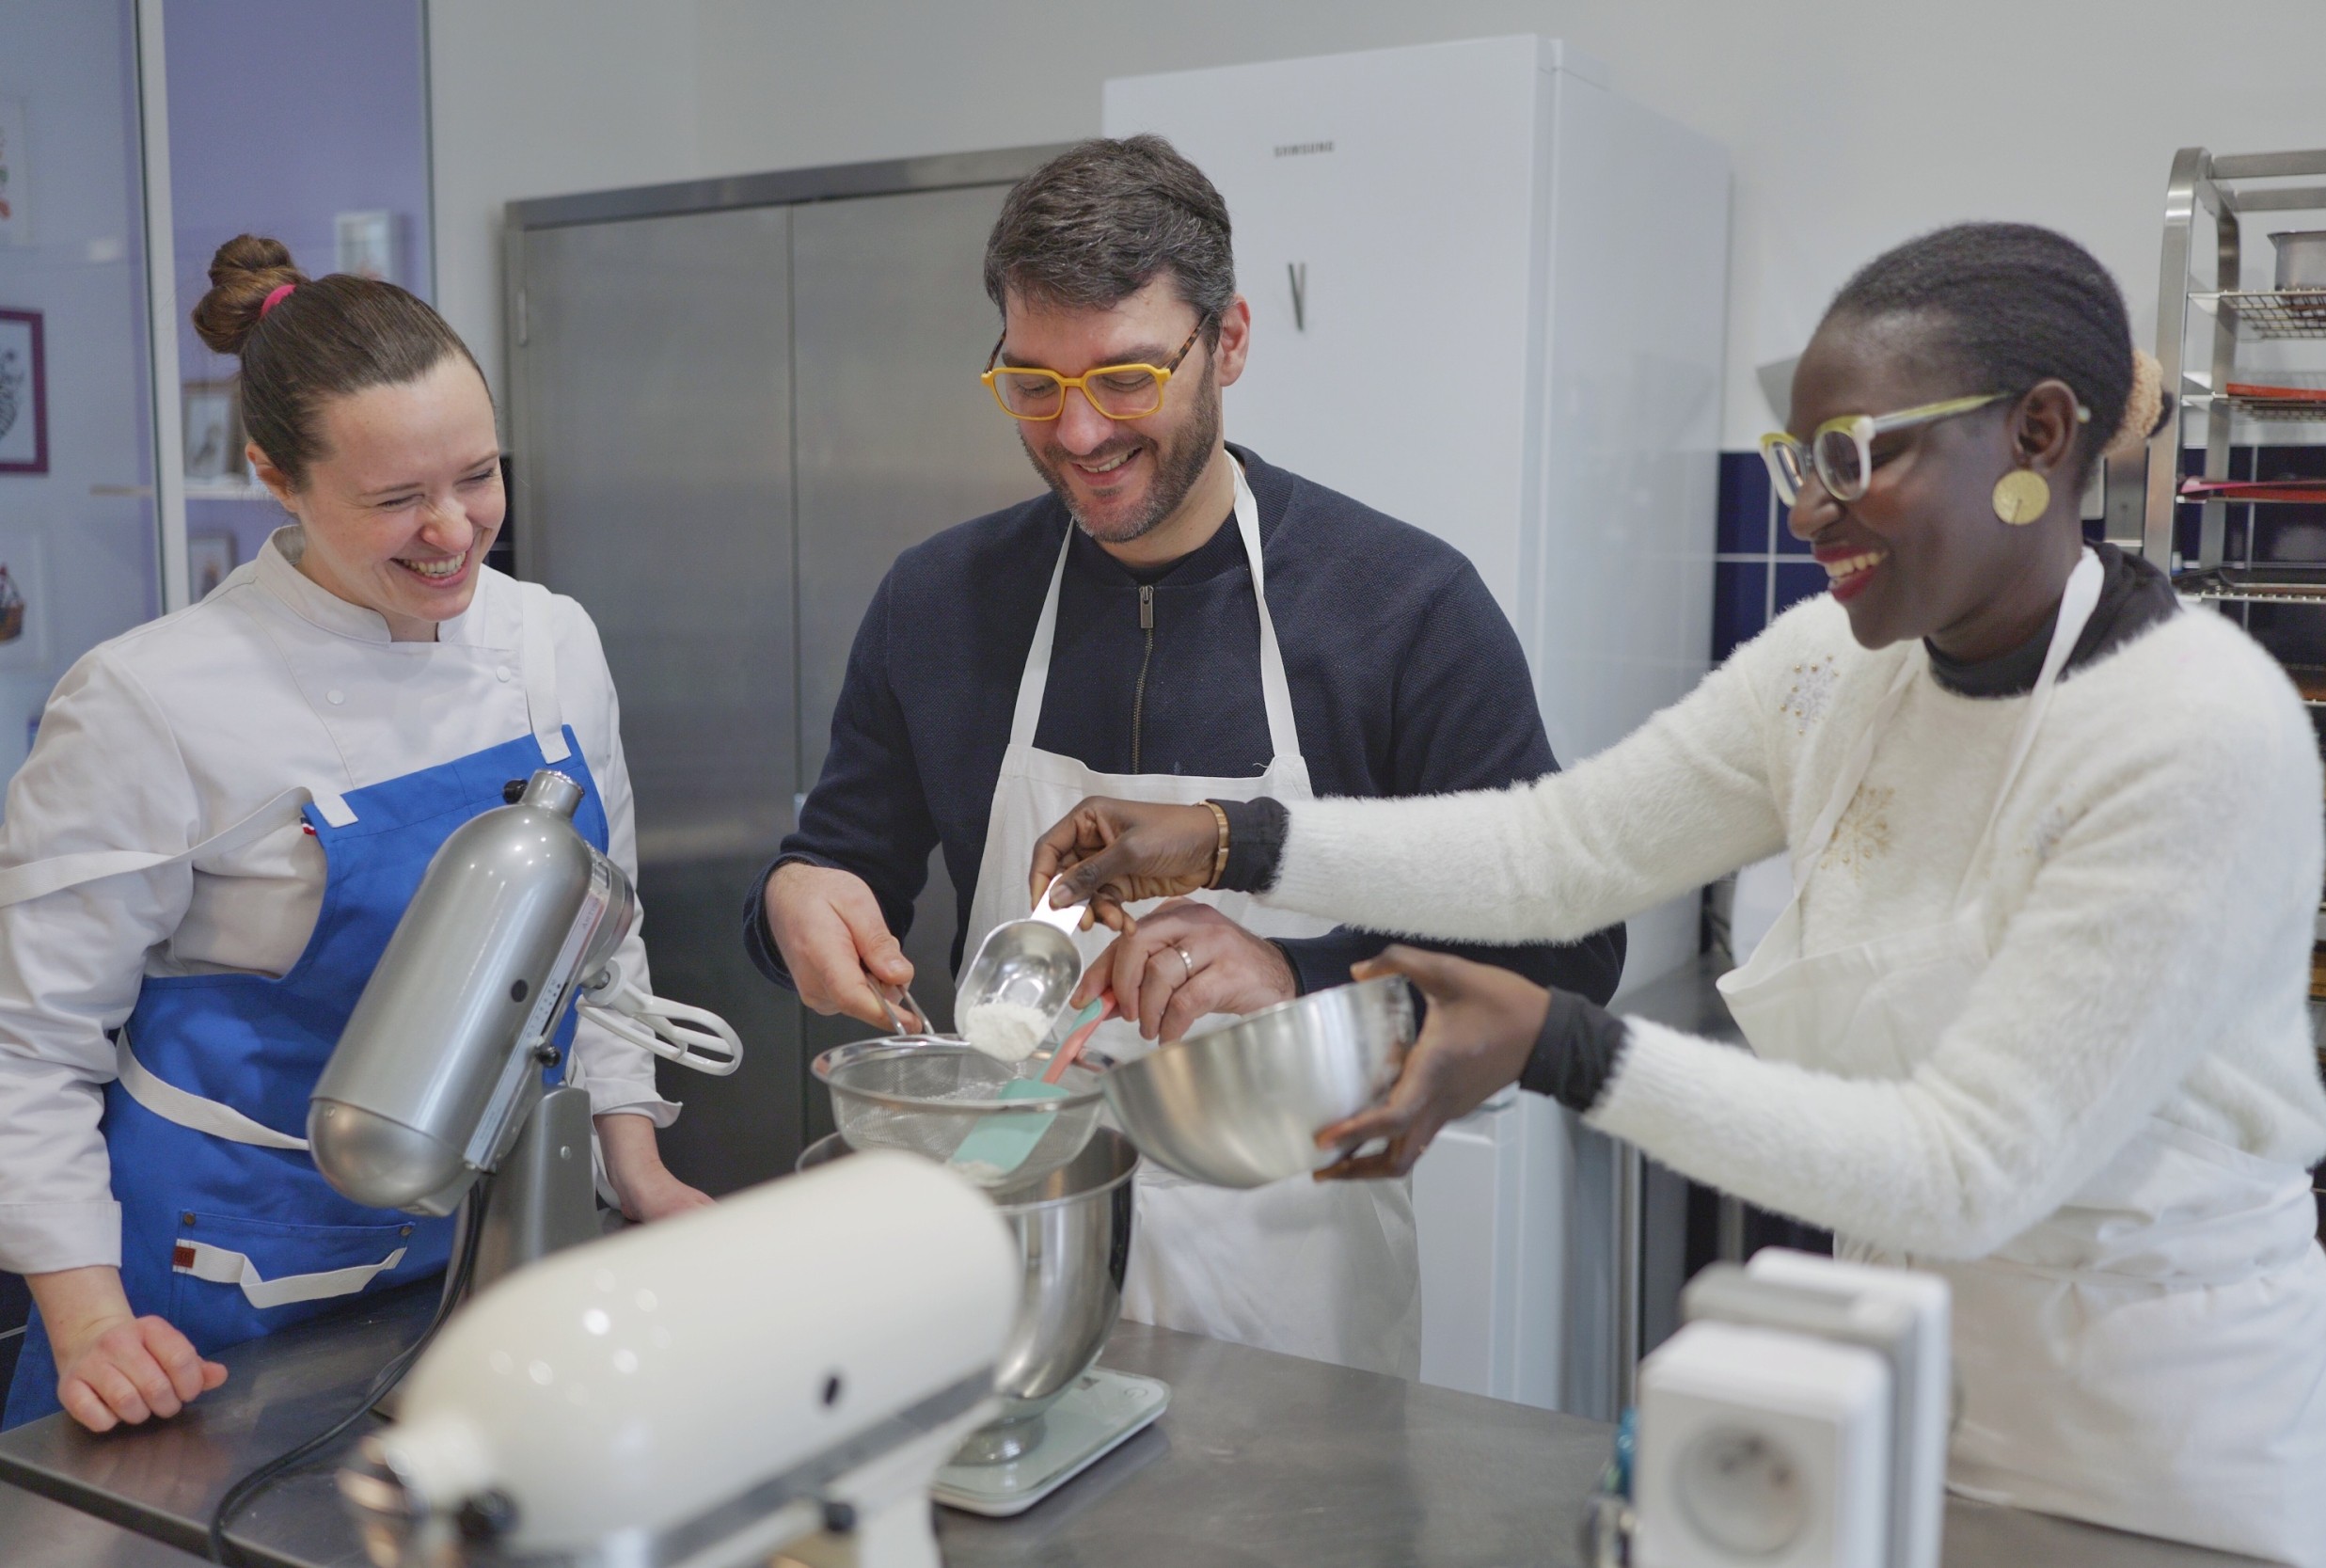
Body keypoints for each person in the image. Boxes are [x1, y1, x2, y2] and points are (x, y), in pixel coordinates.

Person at [1034, 222, 2326, 1564]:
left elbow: (1967, 1170)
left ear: (2038, 436)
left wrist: (1559, 1044)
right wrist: (1231, 836)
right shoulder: (1834, 672)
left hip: (2162, 1434)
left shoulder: (2192, 733)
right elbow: (1557, 848)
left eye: (1852, 460)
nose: (1803, 514)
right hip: (1897, 1368)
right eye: (1796, 460)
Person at [746, 136, 1622, 1379]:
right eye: (1033, 384)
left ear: (1234, 340)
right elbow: (838, 865)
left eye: (1126, 376)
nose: (1080, 432)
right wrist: (792, 898)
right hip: (1006, 1280)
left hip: (1293, 1312)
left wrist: (1298, 976)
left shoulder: (1402, 610)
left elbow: (1572, 953)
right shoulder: (939, 602)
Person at [0, 236, 708, 1433]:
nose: (453, 532)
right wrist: (90, 1321)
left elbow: (600, 940)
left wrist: (629, 1162)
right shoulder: (150, 702)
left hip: (482, 1254)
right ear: (275, 476)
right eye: (394, 500)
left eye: (479, 476)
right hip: (215, 1294)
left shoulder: (549, 642)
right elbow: (27, 1044)